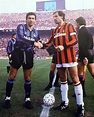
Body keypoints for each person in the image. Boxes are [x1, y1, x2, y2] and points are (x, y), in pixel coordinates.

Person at [43, 11, 84, 117]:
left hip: (70, 58)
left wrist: (63, 46)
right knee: (63, 80)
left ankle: (80, 106)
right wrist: (40, 45)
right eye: (54, 17)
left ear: (62, 16)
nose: (54, 18)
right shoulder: (54, 30)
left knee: (75, 79)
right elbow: (49, 43)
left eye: (56, 16)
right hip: (59, 59)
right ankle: (64, 102)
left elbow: (75, 40)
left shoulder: (69, 26)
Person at [4, 12, 43, 109]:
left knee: (28, 77)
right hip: (18, 53)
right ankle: (7, 98)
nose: (31, 19)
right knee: (12, 76)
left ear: (35, 20)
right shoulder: (20, 27)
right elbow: (21, 38)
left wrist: (40, 43)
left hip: (29, 54)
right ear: (26, 19)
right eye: (29, 18)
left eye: (33, 18)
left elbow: (38, 40)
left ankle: (27, 99)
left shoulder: (36, 31)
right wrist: (34, 42)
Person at [75, 16, 94, 97]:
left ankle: (82, 91)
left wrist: (84, 57)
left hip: (84, 54)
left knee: (80, 73)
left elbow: (82, 44)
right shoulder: (88, 30)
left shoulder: (81, 31)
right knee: (92, 72)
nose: (75, 25)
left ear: (78, 23)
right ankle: (82, 91)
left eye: (76, 23)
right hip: (90, 53)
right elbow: (91, 44)